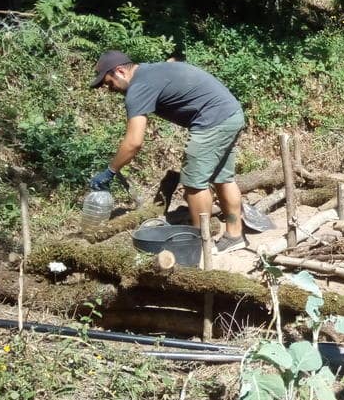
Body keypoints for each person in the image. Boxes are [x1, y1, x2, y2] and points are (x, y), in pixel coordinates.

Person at [88, 50, 248, 254]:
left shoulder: (138, 87)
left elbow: (134, 142)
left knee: (193, 183)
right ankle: (234, 236)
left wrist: (110, 170)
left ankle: (200, 244)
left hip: (212, 121)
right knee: (222, 178)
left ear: (120, 71)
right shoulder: (151, 70)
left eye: (109, 83)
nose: (110, 90)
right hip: (230, 113)